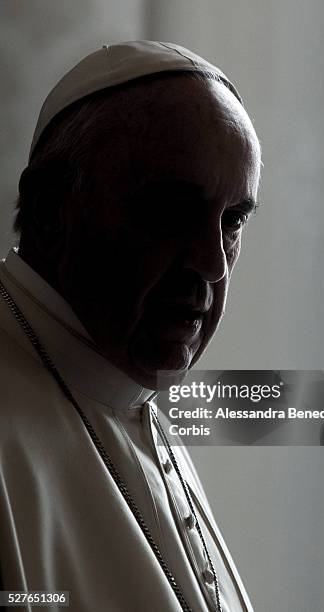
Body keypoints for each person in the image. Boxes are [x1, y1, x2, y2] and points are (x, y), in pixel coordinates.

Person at [0, 41, 261, 611]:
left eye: (232, 220)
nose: (212, 264)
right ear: (51, 209)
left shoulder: (124, 387)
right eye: (172, 211)